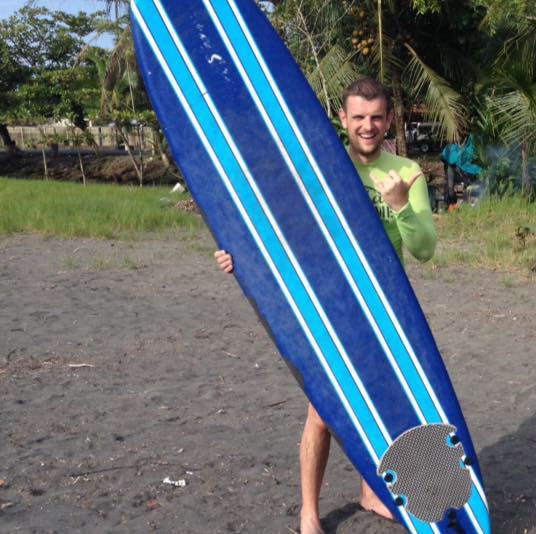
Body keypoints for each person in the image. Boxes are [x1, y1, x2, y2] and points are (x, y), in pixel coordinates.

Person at [214, 77, 436, 534]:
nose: (368, 126)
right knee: (323, 410)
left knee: (379, 401)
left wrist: (401, 208)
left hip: (382, 309)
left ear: (389, 119)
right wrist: (238, 256)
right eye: (359, 117)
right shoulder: (320, 167)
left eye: (376, 117)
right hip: (329, 306)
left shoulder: (407, 171)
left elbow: (425, 249)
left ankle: (371, 491)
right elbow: (280, 225)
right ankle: (309, 512)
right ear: (343, 119)